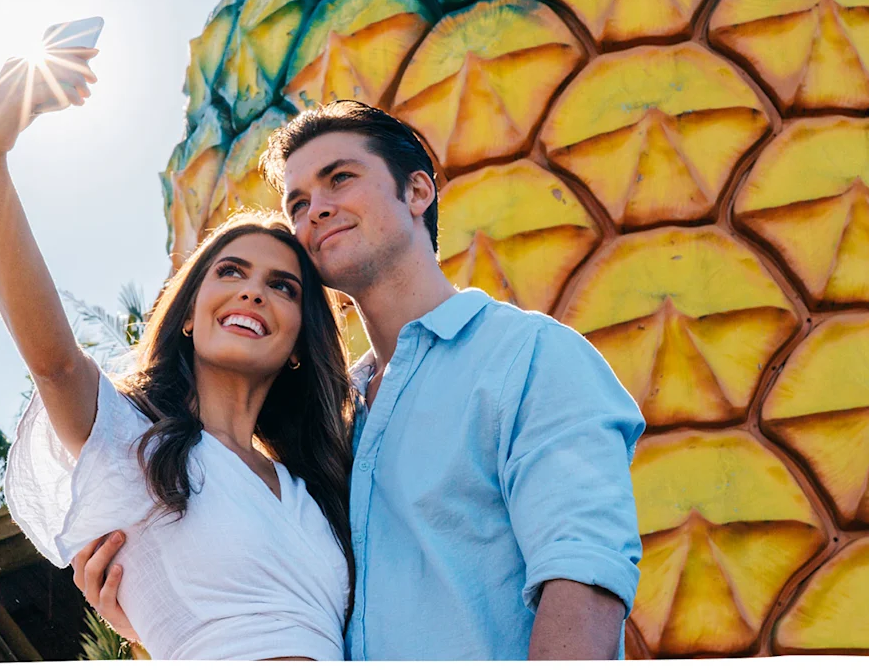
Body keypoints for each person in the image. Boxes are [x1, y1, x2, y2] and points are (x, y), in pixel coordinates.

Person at [74, 99, 648, 660]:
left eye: (339, 178)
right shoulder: (331, 426)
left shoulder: (528, 355)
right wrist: (159, 612)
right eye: (297, 203)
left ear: (418, 191)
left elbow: (584, 576)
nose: (314, 210)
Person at [0, 47, 360, 660]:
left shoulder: (317, 487)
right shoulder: (135, 442)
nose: (253, 289)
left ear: (300, 347)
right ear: (187, 317)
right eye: (230, 271)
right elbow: (55, 362)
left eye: (283, 286)